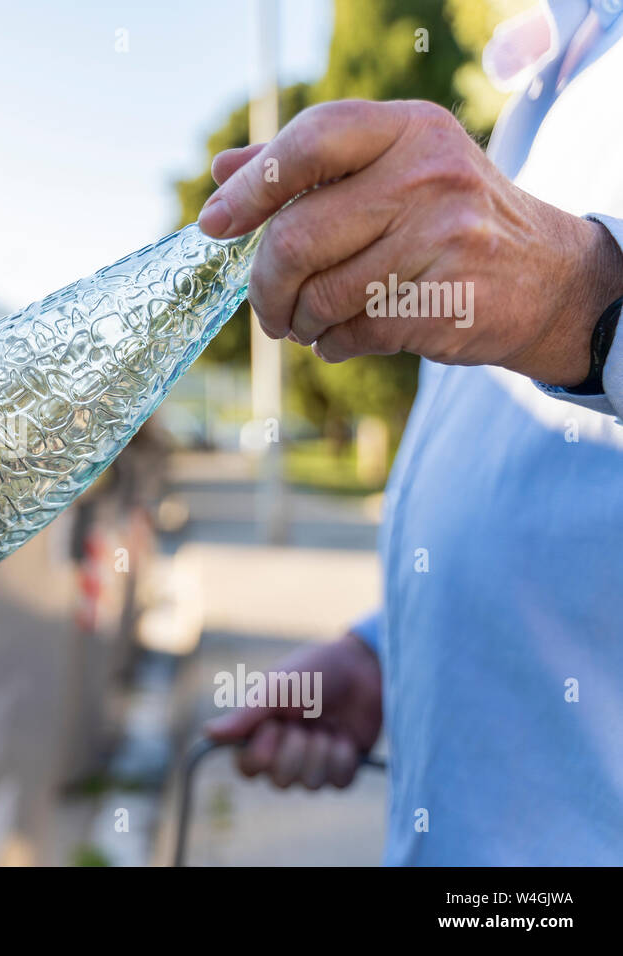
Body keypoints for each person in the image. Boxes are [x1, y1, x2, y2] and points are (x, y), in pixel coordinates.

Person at [199, 0, 623, 865]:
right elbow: (544, 490)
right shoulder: (549, 74)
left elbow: (566, 311)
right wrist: (383, 655)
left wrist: (577, 296)